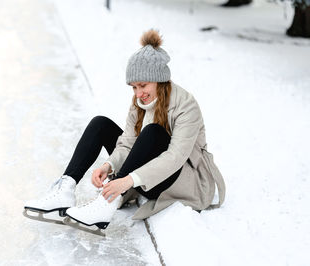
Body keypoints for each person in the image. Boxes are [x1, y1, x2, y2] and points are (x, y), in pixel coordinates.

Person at [25, 29, 226, 230]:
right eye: (133, 87)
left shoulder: (185, 105)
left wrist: (126, 181)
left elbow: (175, 157)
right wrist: (109, 166)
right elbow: (128, 143)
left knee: (154, 132)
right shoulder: (139, 102)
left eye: (143, 85)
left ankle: (107, 202)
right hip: (144, 176)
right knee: (100, 124)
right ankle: (65, 189)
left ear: (159, 80)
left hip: (179, 181)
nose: (138, 93)